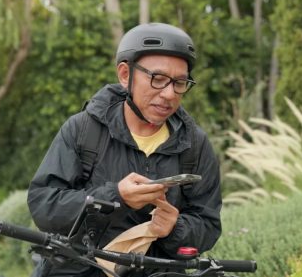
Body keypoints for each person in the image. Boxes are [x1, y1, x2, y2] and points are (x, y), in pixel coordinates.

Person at [28, 23, 222, 276]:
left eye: (180, 83)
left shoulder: (194, 145)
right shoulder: (84, 130)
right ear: (124, 74)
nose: (169, 94)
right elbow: (44, 204)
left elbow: (208, 224)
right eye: (158, 79)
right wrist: (115, 198)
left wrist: (175, 228)